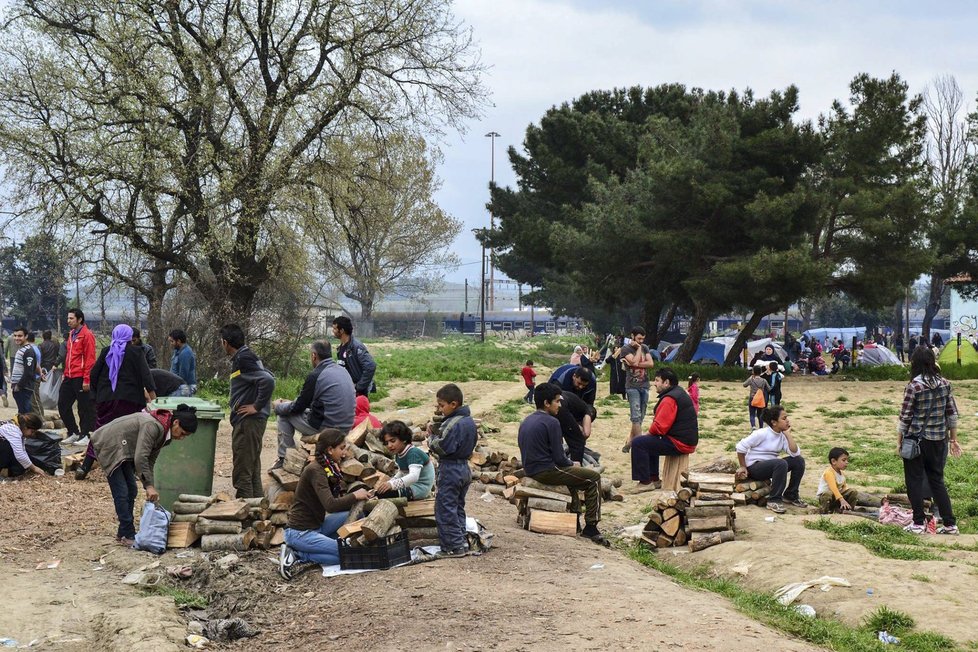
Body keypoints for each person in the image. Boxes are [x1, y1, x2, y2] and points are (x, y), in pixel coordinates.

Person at [91, 404, 198, 545]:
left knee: (132, 490)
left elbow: (150, 460)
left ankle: (123, 532)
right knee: (122, 492)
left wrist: (150, 485)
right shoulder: (153, 426)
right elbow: (141, 457)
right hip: (110, 443)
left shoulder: (165, 432)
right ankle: (128, 534)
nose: (182, 438)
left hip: (124, 448)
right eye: (183, 433)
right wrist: (148, 486)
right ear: (176, 423)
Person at [517, 382, 607, 545]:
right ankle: (591, 526)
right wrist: (572, 463)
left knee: (572, 479)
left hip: (530, 468)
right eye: (557, 401)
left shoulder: (527, 420)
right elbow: (559, 458)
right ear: (546, 403)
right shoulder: (552, 422)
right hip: (546, 470)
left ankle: (575, 518)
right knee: (593, 478)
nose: (560, 405)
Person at [278, 428, 373, 580]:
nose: (344, 453)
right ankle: (299, 554)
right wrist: (355, 495)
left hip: (318, 526)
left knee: (358, 514)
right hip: (300, 533)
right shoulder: (316, 470)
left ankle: (327, 546)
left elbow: (334, 499)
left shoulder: (327, 468)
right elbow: (330, 505)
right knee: (348, 555)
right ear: (330, 449)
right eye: (341, 448)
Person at [75, 324, 157, 480]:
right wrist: (155, 401)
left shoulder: (107, 352)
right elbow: (147, 377)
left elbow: (93, 375)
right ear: (129, 337)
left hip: (106, 400)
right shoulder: (136, 352)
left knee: (100, 433)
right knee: (131, 434)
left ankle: (85, 467)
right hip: (130, 401)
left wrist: (95, 397)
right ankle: (130, 469)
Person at [898, 346, 960, 535]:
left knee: (914, 481)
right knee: (937, 481)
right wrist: (953, 440)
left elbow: (905, 417)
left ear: (914, 363)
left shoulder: (913, 386)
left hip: (916, 441)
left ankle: (918, 523)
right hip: (939, 440)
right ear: (932, 362)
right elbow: (952, 415)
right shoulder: (945, 383)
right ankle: (949, 524)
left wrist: (899, 441)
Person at [270, 341, 353, 471]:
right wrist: (292, 403)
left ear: (314, 356)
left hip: (328, 428)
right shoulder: (342, 371)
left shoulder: (316, 375)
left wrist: (278, 407)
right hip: (346, 426)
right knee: (293, 409)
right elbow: (308, 402)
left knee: (283, 415)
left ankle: (284, 457)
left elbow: (298, 407)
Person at [222, 324, 275, 499]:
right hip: (251, 421)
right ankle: (258, 510)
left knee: (243, 469)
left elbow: (267, 380)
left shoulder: (243, 359)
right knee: (251, 467)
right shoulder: (247, 355)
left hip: (248, 421)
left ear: (226, 342)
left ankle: (243, 513)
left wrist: (256, 406)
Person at [427, 383, 478, 556]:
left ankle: (452, 547)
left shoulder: (453, 423)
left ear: (453, 404)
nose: (440, 410)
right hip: (464, 467)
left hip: (451, 468)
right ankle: (461, 540)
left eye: (442, 406)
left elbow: (442, 447)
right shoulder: (469, 421)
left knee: (445, 508)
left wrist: (431, 438)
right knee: (457, 506)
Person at [630, 367, 698, 490]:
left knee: (639, 442)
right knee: (649, 441)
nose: (654, 384)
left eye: (657, 380)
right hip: (685, 439)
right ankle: (654, 479)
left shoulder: (669, 399)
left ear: (666, 382)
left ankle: (645, 482)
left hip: (680, 443)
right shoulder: (678, 391)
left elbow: (660, 427)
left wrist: (647, 434)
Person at [735, 405, 806, 514]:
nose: (787, 421)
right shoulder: (762, 433)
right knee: (781, 463)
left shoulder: (782, 436)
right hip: (755, 467)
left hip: (771, 466)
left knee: (798, 461)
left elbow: (795, 452)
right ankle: (774, 500)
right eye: (784, 418)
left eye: (787, 417)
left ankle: (790, 495)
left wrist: (788, 435)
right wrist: (743, 466)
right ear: (774, 422)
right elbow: (740, 447)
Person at [60, 309, 97, 445]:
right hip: (69, 375)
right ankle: (73, 432)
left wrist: (87, 379)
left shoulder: (87, 335)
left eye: (71, 318)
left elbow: (90, 359)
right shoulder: (71, 334)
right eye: (68, 318)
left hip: (81, 376)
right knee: (62, 405)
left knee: (84, 407)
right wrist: (65, 373)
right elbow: (69, 356)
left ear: (80, 319)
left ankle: (85, 435)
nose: (68, 321)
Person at [375, 420, 435, 500]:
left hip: (420, 489)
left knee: (384, 495)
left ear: (403, 439)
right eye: (386, 443)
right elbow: (402, 472)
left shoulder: (413, 453)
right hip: (412, 485)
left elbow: (413, 477)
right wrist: (390, 482)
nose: (389, 445)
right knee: (380, 493)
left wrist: (392, 485)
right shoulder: (399, 454)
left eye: (393, 441)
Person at [620, 326, 655, 453]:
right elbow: (633, 362)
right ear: (633, 336)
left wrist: (636, 363)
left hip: (645, 385)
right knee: (635, 416)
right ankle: (640, 445)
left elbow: (650, 364)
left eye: (642, 339)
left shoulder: (645, 347)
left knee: (641, 417)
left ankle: (630, 442)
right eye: (639, 339)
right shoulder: (625, 349)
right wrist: (639, 350)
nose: (641, 341)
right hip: (632, 387)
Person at [332, 316, 377, 396]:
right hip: (346, 391)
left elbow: (370, 366)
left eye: (335, 328)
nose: (333, 331)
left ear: (342, 330)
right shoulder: (341, 347)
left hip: (357, 394)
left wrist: (358, 387)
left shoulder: (357, 347)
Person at [555, 389, 595, 464]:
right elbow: (585, 433)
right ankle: (576, 470)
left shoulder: (576, 404)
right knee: (578, 442)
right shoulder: (587, 412)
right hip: (561, 407)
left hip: (553, 403)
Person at [0, 413, 46, 478]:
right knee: (7, 446)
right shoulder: (12, 429)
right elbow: (20, 454)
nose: (32, 434)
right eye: (32, 431)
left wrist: (30, 466)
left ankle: (6, 471)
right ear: (25, 427)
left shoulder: (18, 429)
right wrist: (34, 468)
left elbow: (23, 451)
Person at [817, 447, 861, 514]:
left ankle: (848, 510)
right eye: (843, 460)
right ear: (833, 461)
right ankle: (825, 510)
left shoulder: (841, 473)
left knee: (853, 491)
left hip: (836, 497)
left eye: (847, 460)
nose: (847, 462)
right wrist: (842, 500)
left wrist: (845, 496)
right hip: (825, 497)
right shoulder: (829, 472)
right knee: (828, 494)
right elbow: (833, 488)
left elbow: (844, 488)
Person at [9, 327, 38, 416]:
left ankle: (29, 429)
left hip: (23, 387)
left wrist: (19, 385)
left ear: (26, 336)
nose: (17, 338)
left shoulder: (28, 351)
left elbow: (28, 372)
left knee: (25, 414)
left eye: (20, 336)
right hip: (19, 386)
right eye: (15, 336)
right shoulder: (21, 349)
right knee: (22, 412)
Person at [168, 329, 197, 395]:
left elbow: (183, 376)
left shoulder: (185, 353)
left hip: (185, 387)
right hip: (178, 385)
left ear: (178, 341)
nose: (171, 344)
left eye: (172, 341)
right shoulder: (177, 351)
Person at [743, 364, 770, 429]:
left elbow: (744, 385)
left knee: (752, 414)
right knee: (760, 414)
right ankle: (761, 427)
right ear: (760, 372)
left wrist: (750, 377)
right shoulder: (764, 380)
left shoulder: (751, 380)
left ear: (753, 372)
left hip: (752, 398)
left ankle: (753, 426)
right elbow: (769, 388)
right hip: (761, 399)